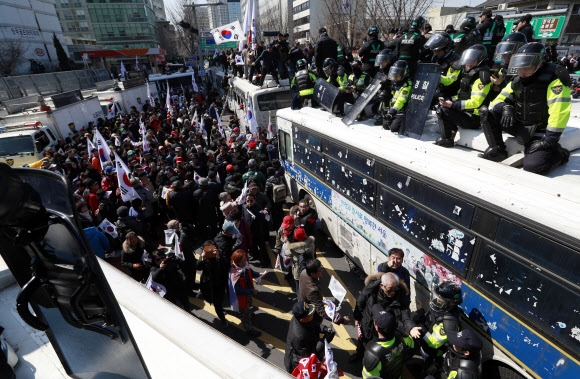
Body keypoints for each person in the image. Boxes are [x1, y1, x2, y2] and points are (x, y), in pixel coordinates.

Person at [479, 42, 571, 175]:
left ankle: (560, 154)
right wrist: (506, 107)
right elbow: (497, 101)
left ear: (540, 63)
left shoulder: (554, 79)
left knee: (534, 167)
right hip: (521, 125)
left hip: (541, 131)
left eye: (527, 67)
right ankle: (497, 149)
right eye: (520, 67)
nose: (522, 72)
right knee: (486, 113)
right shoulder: (516, 80)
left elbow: (559, 111)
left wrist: (548, 141)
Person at [351, 272, 420, 362]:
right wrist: (357, 317)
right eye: (389, 290)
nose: (392, 293)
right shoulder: (370, 290)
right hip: (368, 323)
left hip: (384, 329)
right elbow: (360, 303)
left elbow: (405, 313)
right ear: (381, 286)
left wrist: (411, 327)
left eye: (395, 290)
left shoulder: (400, 296)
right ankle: (359, 354)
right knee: (363, 341)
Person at [435, 44, 492, 148]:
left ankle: (447, 139)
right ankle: (450, 134)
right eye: (468, 60)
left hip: (475, 117)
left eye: (472, 61)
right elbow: (462, 95)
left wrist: (452, 105)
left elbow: (476, 102)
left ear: (480, 60)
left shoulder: (482, 77)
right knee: (441, 106)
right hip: (465, 112)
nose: (468, 64)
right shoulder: (468, 74)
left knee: (443, 110)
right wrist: (449, 100)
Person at [417, 281, 463, 372]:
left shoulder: (449, 324)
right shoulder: (442, 308)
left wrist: (420, 327)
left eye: (440, 300)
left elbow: (433, 343)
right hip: (423, 344)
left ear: (451, 303)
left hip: (431, 354)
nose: (437, 301)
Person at [361, 304, 415, 379]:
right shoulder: (402, 337)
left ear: (376, 327)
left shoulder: (373, 354)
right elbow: (411, 345)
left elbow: (368, 377)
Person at [284, 301, 336, 373]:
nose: (312, 315)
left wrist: (324, 329)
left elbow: (312, 323)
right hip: (300, 365)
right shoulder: (299, 336)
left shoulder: (299, 317)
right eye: (310, 315)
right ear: (302, 319)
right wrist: (325, 340)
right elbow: (310, 355)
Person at [299, 259, 350, 325]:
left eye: (321, 267)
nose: (322, 271)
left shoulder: (304, 272)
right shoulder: (313, 290)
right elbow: (321, 311)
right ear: (313, 274)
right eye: (320, 270)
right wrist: (342, 320)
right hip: (311, 317)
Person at [228, 249, 265, 337]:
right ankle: (249, 329)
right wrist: (251, 291)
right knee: (244, 313)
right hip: (241, 298)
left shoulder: (244, 266)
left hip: (247, 294)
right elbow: (237, 290)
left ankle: (248, 313)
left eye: (245, 259)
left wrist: (258, 274)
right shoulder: (235, 274)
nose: (245, 262)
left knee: (248, 305)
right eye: (243, 261)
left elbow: (251, 272)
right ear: (237, 262)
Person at [197, 241, 229, 328]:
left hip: (220, 283)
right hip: (210, 286)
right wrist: (203, 258)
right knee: (217, 304)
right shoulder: (204, 257)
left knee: (221, 299)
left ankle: (221, 309)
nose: (211, 252)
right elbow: (198, 267)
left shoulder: (220, 254)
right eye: (208, 250)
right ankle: (222, 319)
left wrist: (218, 257)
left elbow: (226, 265)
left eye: (212, 249)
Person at [424, 32, 461, 102]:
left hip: (450, 93)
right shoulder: (436, 58)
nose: (435, 53)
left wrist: (435, 77)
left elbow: (449, 81)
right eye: (434, 51)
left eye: (437, 50)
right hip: (437, 89)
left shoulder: (456, 61)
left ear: (447, 49)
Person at [382, 60, 412, 133]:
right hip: (393, 109)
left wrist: (392, 112)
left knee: (394, 128)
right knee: (385, 126)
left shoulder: (407, 85)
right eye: (394, 75)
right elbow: (392, 95)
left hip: (401, 110)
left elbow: (401, 100)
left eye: (397, 76)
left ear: (404, 74)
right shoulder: (396, 83)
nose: (394, 78)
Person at [286, 227, 315, 293]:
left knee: (298, 287)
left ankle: (301, 301)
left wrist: (288, 242)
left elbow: (287, 253)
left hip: (298, 269)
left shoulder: (293, 248)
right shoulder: (311, 242)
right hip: (310, 267)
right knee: (309, 284)